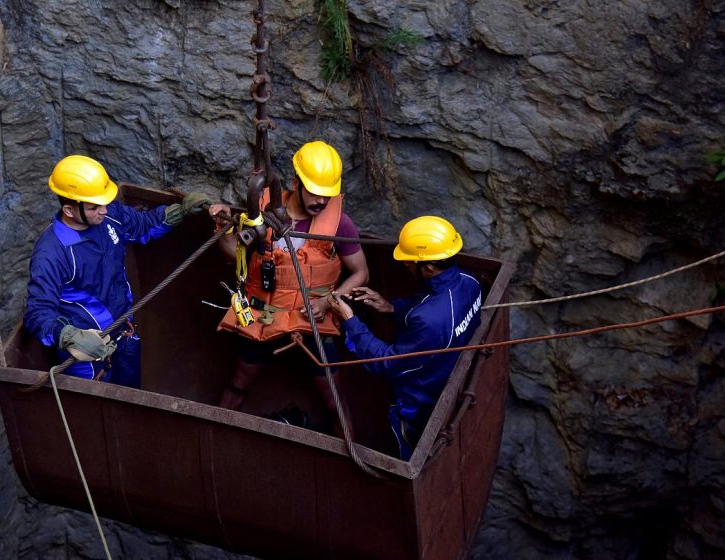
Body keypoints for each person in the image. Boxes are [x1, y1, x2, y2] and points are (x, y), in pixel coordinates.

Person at [208, 140, 369, 432]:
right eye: (316, 194)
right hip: (263, 314)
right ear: (296, 183)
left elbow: (360, 273)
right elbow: (234, 255)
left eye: (327, 195)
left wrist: (329, 301)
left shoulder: (339, 225)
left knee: (333, 395)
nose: (322, 202)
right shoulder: (262, 210)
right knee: (240, 381)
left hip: (312, 319)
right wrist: (223, 228)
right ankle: (216, 432)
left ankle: (350, 450)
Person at [24, 154, 211, 388]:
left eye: (103, 202)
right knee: (96, 413)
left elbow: (142, 226)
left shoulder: (108, 216)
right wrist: (68, 336)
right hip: (86, 356)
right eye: (94, 207)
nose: (104, 210)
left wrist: (178, 213)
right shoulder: (52, 253)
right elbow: (37, 312)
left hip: (125, 333)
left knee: (130, 396)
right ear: (69, 210)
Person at [327, 216, 483, 460]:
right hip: (443, 375)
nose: (406, 267)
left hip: (418, 404)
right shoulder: (469, 283)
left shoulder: (431, 320)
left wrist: (350, 321)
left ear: (428, 268)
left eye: (410, 264)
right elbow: (432, 311)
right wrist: (392, 308)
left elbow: (387, 363)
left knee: (405, 451)